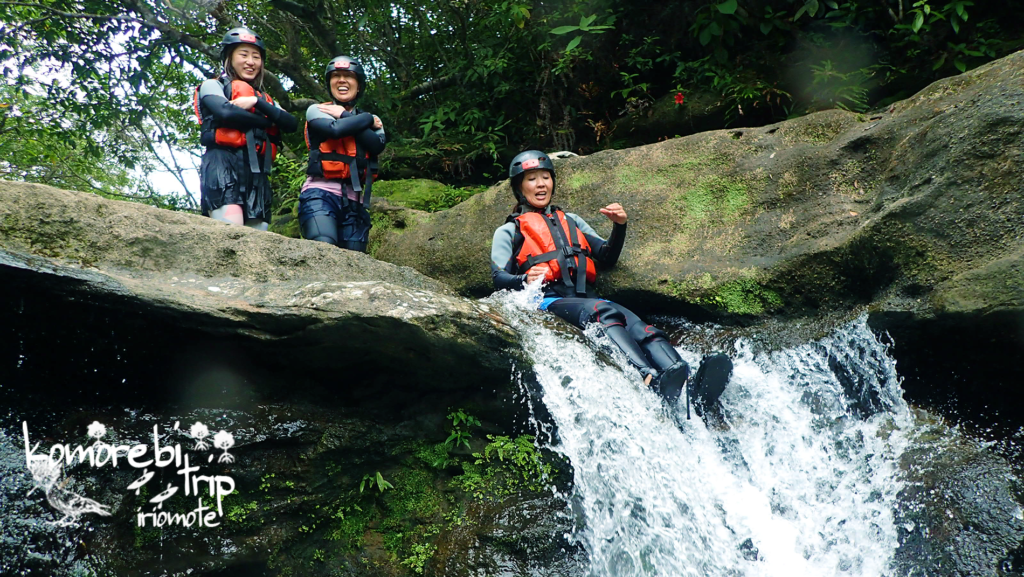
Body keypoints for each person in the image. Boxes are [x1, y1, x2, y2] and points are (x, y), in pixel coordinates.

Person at [490, 150, 732, 415]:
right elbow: (499, 277)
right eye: (532, 179)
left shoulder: (572, 221)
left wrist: (619, 226)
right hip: (548, 300)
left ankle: (687, 383)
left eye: (545, 177)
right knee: (602, 311)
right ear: (519, 187)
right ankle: (650, 377)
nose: (540, 184)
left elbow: (606, 255)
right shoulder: (509, 230)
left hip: (586, 298)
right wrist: (524, 277)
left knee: (640, 326)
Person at [195, 27, 297, 230]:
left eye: (256, 57)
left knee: (257, 237)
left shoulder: (264, 99)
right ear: (229, 57)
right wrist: (268, 121)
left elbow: (290, 123)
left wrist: (256, 103)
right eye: (243, 55)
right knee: (231, 230)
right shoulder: (212, 85)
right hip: (222, 163)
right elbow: (225, 112)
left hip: (257, 172)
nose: (251, 62)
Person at [299, 55, 386, 252]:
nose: (341, 80)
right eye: (336, 76)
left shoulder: (373, 121)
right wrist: (365, 120)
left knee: (354, 260)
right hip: (320, 194)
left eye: (349, 76)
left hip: (355, 201)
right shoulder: (317, 110)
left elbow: (376, 145)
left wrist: (347, 115)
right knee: (323, 247)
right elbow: (334, 130)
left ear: (359, 84)